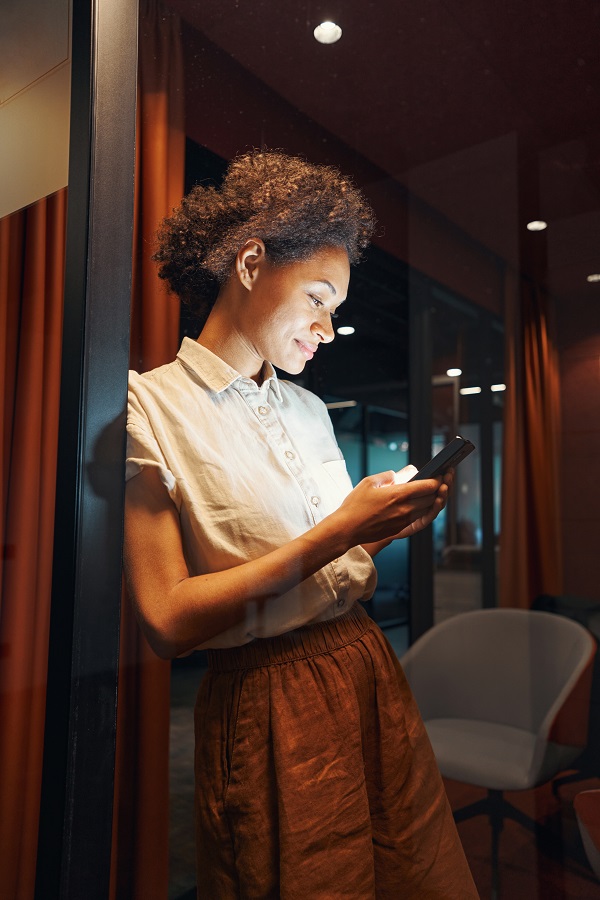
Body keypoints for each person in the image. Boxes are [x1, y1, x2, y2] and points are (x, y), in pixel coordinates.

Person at [124, 150, 478, 899]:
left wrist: (379, 526)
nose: (326, 327)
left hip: (364, 667)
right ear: (251, 261)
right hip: (263, 699)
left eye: (337, 312)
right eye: (319, 298)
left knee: (408, 868)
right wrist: (341, 530)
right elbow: (164, 618)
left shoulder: (312, 410)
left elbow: (325, 566)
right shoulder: (148, 407)